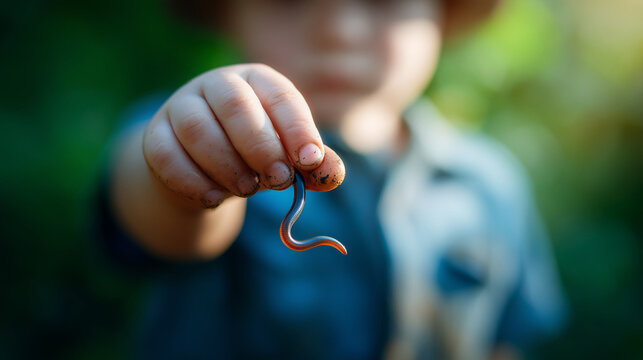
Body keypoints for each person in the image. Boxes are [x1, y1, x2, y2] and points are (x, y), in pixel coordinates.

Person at [98, 0, 566, 358]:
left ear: (441, 14)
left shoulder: (489, 182)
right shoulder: (195, 127)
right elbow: (158, 195)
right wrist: (186, 160)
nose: (337, 29)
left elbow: (502, 340)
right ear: (227, 13)